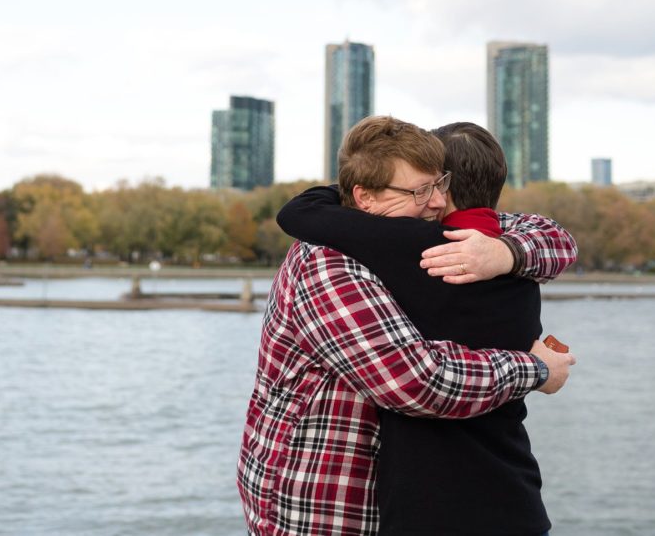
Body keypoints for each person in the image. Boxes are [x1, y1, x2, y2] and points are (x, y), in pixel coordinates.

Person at [237, 116, 577, 535]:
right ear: (364, 197)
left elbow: (549, 235)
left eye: (440, 185)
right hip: (318, 505)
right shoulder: (326, 263)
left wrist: (505, 253)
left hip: (389, 501)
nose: (436, 202)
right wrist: (536, 368)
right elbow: (414, 381)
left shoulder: (450, 243)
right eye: (420, 190)